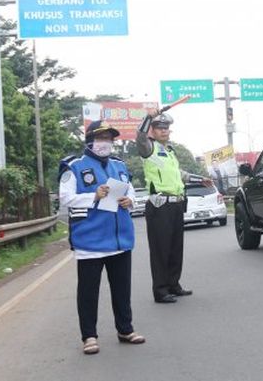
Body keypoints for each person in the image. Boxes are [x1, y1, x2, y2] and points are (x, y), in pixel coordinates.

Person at [59, 121, 145, 355]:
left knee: (122, 289)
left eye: (109, 138)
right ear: (89, 140)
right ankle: (89, 336)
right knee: (88, 292)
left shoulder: (120, 165)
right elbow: (65, 198)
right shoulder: (74, 166)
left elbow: (131, 191)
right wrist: (93, 196)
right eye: (100, 137)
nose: (105, 142)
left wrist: (131, 201)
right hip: (90, 242)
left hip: (120, 239)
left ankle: (125, 329)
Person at [136, 110, 213, 303]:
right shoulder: (148, 148)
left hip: (177, 204)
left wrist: (199, 179)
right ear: (152, 130)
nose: (164, 131)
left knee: (175, 248)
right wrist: (147, 118)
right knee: (160, 249)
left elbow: (179, 174)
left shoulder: (169, 151)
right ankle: (160, 290)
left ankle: (173, 284)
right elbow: (139, 136)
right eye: (159, 128)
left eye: (166, 128)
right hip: (160, 205)